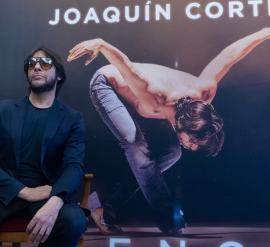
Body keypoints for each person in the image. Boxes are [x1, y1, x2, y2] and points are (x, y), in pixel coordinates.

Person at [67, 28, 270, 234]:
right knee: (134, 142)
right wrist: (102, 44)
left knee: (172, 152)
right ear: (182, 124)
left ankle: (101, 206)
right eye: (192, 141)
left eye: (196, 145)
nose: (192, 148)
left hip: (143, 103)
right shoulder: (156, 96)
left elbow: (229, 56)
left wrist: (264, 32)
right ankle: (167, 218)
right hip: (108, 85)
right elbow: (125, 66)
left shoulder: (204, 91)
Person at [0, 46, 86, 247]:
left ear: (59, 76)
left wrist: (55, 201)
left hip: (46, 197)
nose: (36, 67)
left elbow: (74, 166)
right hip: (4, 194)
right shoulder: (3, 110)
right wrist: (24, 192)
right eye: (31, 64)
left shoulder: (72, 118)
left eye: (45, 63)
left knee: (74, 220)